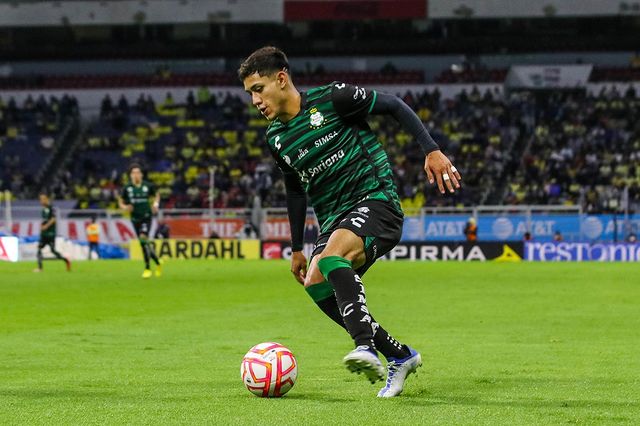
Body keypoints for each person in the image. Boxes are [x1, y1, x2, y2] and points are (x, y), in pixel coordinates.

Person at [239, 46, 462, 398]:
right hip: (334, 218)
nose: (255, 100)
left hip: (376, 201)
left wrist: (431, 149)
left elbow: (394, 105)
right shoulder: (277, 138)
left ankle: (364, 347)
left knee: (330, 259)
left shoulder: (333, 99)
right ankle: (399, 356)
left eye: (258, 89)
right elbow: (295, 189)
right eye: (250, 93)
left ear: (281, 79)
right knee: (315, 282)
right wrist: (297, 247)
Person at [118, 163, 162, 278]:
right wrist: (125, 207)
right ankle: (157, 262)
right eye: (133, 173)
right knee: (143, 243)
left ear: (141, 175)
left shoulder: (147, 186)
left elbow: (157, 194)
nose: (136, 175)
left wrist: (155, 204)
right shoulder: (127, 188)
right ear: (130, 175)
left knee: (143, 238)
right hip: (134, 218)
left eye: (138, 172)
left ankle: (147, 268)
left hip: (146, 216)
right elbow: (121, 202)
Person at [34, 193, 71, 272]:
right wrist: (42, 227)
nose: (41, 201)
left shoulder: (51, 208)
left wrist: (46, 226)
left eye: (43, 199)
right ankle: (40, 268)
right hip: (44, 234)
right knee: (40, 249)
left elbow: (53, 219)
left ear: (47, 199)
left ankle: (66, 260)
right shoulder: (43, 209)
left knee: (52, 250)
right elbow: (44, 220)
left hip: (50, 234)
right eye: (40, 199)